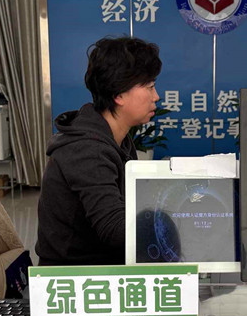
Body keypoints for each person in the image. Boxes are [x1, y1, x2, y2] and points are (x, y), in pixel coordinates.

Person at [36, 36, 162, 266]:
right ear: (118, 95)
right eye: (149, 87)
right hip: (76, 276)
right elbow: (114, 229)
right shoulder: (87, 151)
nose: (156, 96)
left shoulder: (117, 139)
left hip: (104, 261)